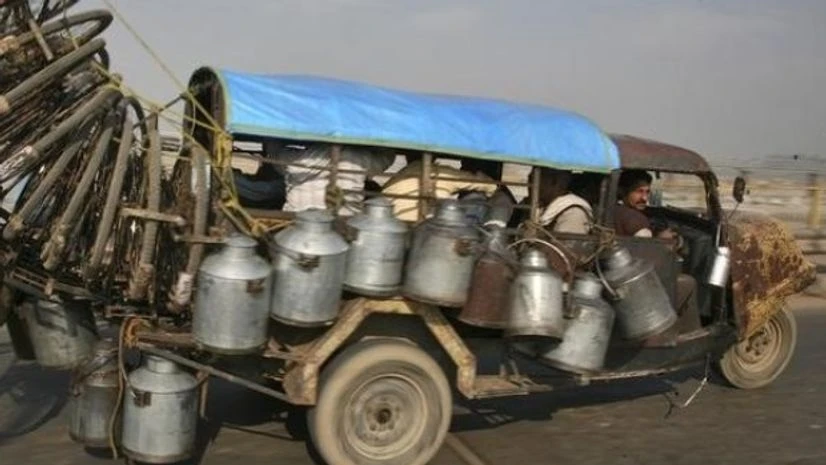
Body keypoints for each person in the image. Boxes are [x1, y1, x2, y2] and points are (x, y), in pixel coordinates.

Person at [264, 140, 395, 216]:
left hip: (295, 221)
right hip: (345, 224)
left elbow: (273, 151)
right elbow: (387, 157)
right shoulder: (359, 158)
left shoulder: (297, 158)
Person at [614, 169, 675, 239]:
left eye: (647, 192)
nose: (645, 198)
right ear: (622, 191)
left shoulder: (611, 209)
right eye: (639, 191)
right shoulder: (635, 218)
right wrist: (662, 239)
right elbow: (644, 246)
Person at [535, 167, 593, 234]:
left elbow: (568, 244)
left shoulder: (573, 212)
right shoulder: (542, 205)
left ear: (554, 182)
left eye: (535, 180)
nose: (530, 185)